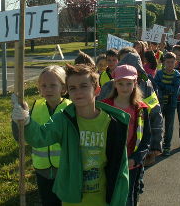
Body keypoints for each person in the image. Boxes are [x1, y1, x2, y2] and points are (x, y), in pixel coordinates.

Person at [11, 64, 130, 206]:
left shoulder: (113, 123)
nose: (78, 91)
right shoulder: (65, 119)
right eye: (73, 88)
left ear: (97, 89)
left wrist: (119, 200)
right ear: (68, 91)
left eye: (84, 86)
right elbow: (40, 137)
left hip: (103, 199)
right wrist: (26, 121)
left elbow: (121, 167)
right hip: (73, 200)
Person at [11, 65, 71, 206]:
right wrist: (17, 118)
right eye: (43, 85)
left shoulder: (70, 108)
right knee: (48, 201)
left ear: (63, 88)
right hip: (42, 170)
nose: (47, 89)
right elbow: (20, 137)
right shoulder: (35, 107)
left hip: (65, 170)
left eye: (52, 85)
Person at [98, 48, 163, 164]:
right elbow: (98, 115)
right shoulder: (108, 86)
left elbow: (155, 112)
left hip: (138, 148)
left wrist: (155, 144)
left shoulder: (147, 85)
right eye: (123, 62)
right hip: (110, 148)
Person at [102, 65, 151, 206]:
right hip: (109, 163)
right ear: (115, 83)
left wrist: (136, 159)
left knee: (127, 197)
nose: (125, 88)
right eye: (120, 83)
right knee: (109, 196)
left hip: (131, 164)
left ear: (135, 83)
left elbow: (146, 138)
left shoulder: (141, 109)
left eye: (129, 83)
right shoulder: (104, 107)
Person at [154, 52, 180, 156]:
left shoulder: (177, 75)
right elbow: (156, 86)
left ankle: (167, 146)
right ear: (164, 62)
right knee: (158, 125)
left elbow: (175, 90)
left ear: (175, 63)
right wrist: (164, 87)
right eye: (168, 62)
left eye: (172, 62)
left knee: (169, 126)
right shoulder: (159, 73)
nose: (170, 64)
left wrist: (162, 86)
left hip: (171, 104)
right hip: (160, 103)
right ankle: (158, 146)